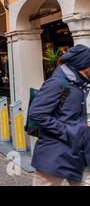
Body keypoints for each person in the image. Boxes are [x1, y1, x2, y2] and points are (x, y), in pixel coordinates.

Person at [28, 45, 90, 186]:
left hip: (77, 154)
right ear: (84, 65)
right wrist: (69, 130)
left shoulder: (78, 85)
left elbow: (68, 115)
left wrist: (82, 126)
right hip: (53, 157)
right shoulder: (57, 83)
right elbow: (37, 113)